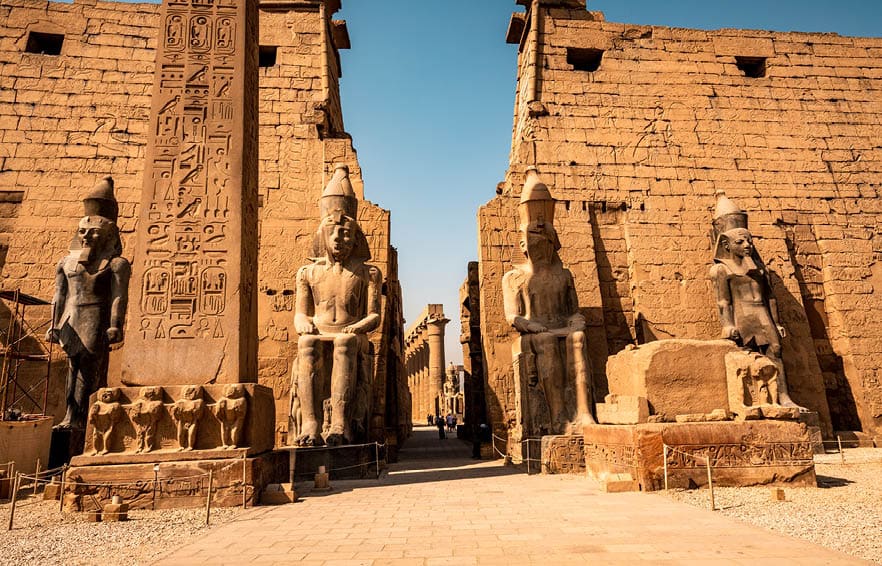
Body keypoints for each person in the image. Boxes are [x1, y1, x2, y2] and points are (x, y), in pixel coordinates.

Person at [294, 165, 382, 447]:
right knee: (307, 343)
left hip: (350, 332)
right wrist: (304, 323)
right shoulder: (308, 273)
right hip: (320, 328)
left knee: (344, 343)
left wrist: (357, 326)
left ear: (356, 237)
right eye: (333, 231)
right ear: (321, 235)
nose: (339, 238)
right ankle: (311, 421)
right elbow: (300, 314)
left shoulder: (368, 273)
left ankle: (339, 423)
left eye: (346, 233)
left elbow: (373, 316)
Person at [502, 168, 594, 434]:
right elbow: (513, 316)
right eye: (534, 237)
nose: (540, 242)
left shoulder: (563, 275)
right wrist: (530, 326)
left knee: (577, 339)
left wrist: (577, 322)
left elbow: (574, 310)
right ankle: (559, 417)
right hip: (534, 332)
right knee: (547, 342)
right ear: (523, 243)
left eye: (546, 237)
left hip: (559, 326)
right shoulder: (515, 277)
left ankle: (584, 412)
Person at [47, 177, 130, 431]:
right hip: (71, 318)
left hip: (95, 318)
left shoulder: (115, 264)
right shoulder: (66, 263)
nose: (87, 237)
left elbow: (119, 297)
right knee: (72, 367)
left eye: (94, 232)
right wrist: (53, 323)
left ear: (108, 235)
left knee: (90, 369)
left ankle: (85, 418)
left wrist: (115, 324)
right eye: (83, 231)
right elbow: (59, 296)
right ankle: (72, 415)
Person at [709, 192, 800, 408]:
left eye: (749, 240)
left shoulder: (760, 269)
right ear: (727, 245)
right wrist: (728, 325)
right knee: (746, 356)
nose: (747, 245)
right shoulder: (721, 269)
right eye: (740, 241)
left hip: (762, 313)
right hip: (742, 316)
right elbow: (724, 302)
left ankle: (783, 396)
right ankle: (754, 401)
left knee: (776, 351)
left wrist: (777, 322)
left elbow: (770, 298)